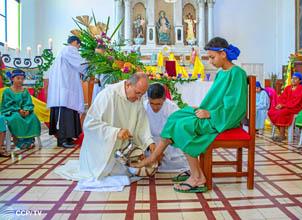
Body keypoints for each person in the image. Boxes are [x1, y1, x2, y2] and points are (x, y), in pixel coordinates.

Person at [131, 37, 246, 193]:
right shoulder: (221, 73)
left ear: (223, 54)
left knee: (182, 126)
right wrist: (201, 108)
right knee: (176, 117)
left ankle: (198, 177)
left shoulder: (237, 73)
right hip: (212, 113)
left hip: (223, 119)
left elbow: (235, 106)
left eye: (212, 57)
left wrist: (209, 113)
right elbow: (215, 99)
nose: (210, 62)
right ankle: (154, 157)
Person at [54, 73, 156, 192]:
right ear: (128, 85)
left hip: (121, 152)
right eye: (138, 93)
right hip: (101, 151)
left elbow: (142, 125)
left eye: (142, 95)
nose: (139, 98)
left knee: (125, 172)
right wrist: (115, 132)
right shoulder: (108, 95)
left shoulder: (137, 99)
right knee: (107, 173)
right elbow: (89, 124)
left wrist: (150, 143)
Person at [47, 36, 87, 148]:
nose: (78, 48)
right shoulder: (69, 49)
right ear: (74, 42)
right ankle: (63, 139)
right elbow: (81, 65)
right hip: (65, 87)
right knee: (64, 113)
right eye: (78, 45)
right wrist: (91, 63)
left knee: (68, 111)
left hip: (65, 87)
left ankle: (68, 138)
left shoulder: (62, 51)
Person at [144, 83, 189, 172]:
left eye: (158, 104)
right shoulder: (143, 106)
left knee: (181, 163)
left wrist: (161, 151)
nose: (155, 107)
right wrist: (151, 147)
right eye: (152, 103)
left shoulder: (172, 108)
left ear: (164, 99)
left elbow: (176, 133)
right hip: (149, 144)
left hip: (168, 145)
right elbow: (140, 131)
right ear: (148, 98)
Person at [1, 69, 41, 150]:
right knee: (16, 117)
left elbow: (28, 103)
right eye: (18, 78)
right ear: (12, 79)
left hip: (24, 111)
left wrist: (27, 110)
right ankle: (19, 140)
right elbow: (8, 104)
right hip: (11, 112)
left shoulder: (25, 91)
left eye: (22, 78)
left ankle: (29, 139)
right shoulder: (7, 91)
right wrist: (19, 110)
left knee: (33, 117)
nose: (20, 80)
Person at [268, 72, 302, 142]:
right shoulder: (288, 88)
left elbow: (296, 101)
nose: (293, 80)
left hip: (297, 107)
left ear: (300, 81)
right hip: (287, 106)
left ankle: (282, 135)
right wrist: (279, 104)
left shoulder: (301, 88)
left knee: (281, 113)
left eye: (296, 79)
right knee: (272, 111)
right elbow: (282, 98)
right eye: (292, 78)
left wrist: (283, 106)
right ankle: (281, 132)